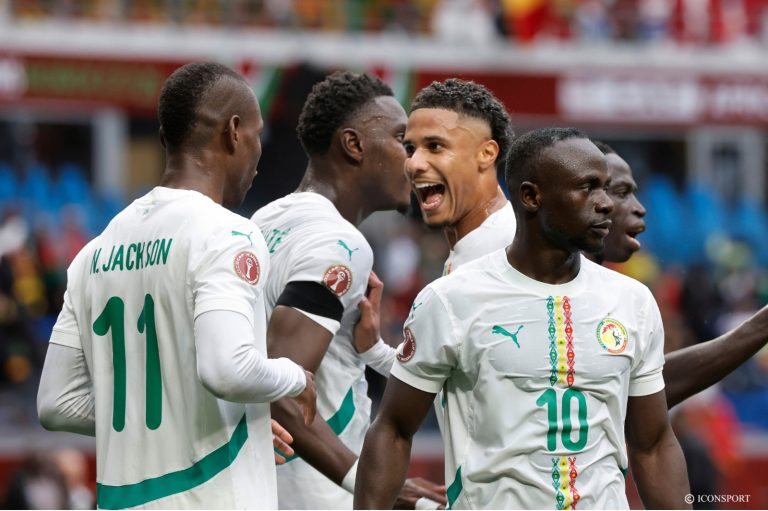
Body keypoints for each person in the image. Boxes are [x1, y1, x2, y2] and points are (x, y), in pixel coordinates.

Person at [353, 78, 768, 411]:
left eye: (612, 190)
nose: (620, 207)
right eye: (607, 190)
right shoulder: (492, 255)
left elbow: (616, 393)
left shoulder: (505, 251)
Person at [355, 127, 691, 509]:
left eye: (605, 188)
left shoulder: (633, 301)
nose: (606, 204)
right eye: (588, 188)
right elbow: (393, 430)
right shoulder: (451, 300)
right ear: (531, 196)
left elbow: (653, 444)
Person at [36, 62, 316, 509]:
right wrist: (294, 377)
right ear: (234, 132)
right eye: (258, 134)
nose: (259, 154)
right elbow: (228, 370)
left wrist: (210, 423)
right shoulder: (227, 234)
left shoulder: (94, 253)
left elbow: (57, 403)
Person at [250, 71, 445, 509]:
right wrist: (370, 482)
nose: (415, 162)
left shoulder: (263, 221)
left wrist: (371, 351)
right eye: (402, 141)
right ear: (354, 145)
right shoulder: (340, 243)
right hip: (315, 497)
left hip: (265, 486)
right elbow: (280, 388)